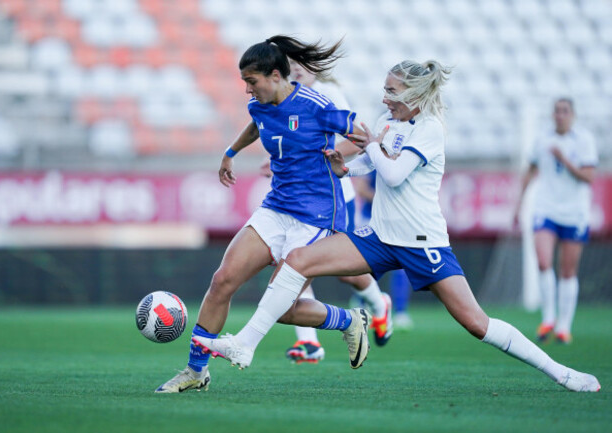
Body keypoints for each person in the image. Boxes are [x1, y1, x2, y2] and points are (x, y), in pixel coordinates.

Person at [195, 60, 601, 392]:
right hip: (379, 238)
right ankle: (244, 345)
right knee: (297, 261)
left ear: (415, 95)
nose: (384, 97)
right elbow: (372, 164)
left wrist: (369, 144)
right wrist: (345, 168)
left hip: (421, 242)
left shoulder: (429, 131)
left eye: (392, 91)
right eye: (385, 89)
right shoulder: (388, 124)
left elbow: (392, 175)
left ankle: (561, 373)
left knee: (478, 323)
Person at [155, 35, 373, 393]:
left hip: (316, 217)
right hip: (277, 207)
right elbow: (258, 123)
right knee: (222, 280)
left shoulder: (316, 104)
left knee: (284, 310)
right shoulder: (260, 104)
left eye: (251, 82)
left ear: (275, 75)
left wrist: (339, 159)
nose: (248, 90)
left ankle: (350, 319)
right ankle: (195, 371)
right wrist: (230, 152)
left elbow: (364, 135)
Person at [282, 58, 393, 364]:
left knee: (343, 271)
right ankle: (309, 344)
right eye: (289, 62)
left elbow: (355, 141)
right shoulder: (285, 97)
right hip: (300, 196)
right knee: (295, 261)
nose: (296, 68)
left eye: (300, 61)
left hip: (333, 196)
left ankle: (380, 305)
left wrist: (316, 161)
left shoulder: (327, 94)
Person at [514, 98, 597, 344]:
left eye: (565, 111)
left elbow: (589, 176)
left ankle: (564, 326)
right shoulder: (542, 139)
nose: (560, 115)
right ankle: (548, 318)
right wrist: (519, 204)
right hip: (546, 208)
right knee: (542, 261)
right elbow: (530, 169)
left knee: (568, 271)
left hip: (575, 212)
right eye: (557, 111)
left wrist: (564, 159)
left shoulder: (583, 140)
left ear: (572, 115)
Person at [352, 170, 414, 330]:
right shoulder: (376, 162)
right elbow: (361, 188)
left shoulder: (404, 162)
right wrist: (383, 201)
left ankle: (400, 312)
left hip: (395, 223)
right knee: (366, 265)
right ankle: (362, 303)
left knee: (401, 267)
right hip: (370, 221)